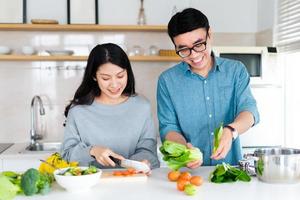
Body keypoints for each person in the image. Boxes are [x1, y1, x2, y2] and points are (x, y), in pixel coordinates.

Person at [157, 8, 259, 167]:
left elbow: (249, 111)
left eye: (198, 44)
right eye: (183, 49)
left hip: (230, 170)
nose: (193, 55)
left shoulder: (235, 71)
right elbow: (168, 127)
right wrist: (184, 150)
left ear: (210, 34)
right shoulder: (167, 81)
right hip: (190, 175)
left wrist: (231, 130)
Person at [62, 43, 160, 170]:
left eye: (120, 76)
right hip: (90, 185)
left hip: (132, 182)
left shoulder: (142, 106)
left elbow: (148, 151)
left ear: (128, 73)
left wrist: (142, 162)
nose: (114, 85)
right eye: (106, 78)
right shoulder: (78, 110)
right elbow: (66, 155)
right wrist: (92, 151)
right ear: (94, 76)